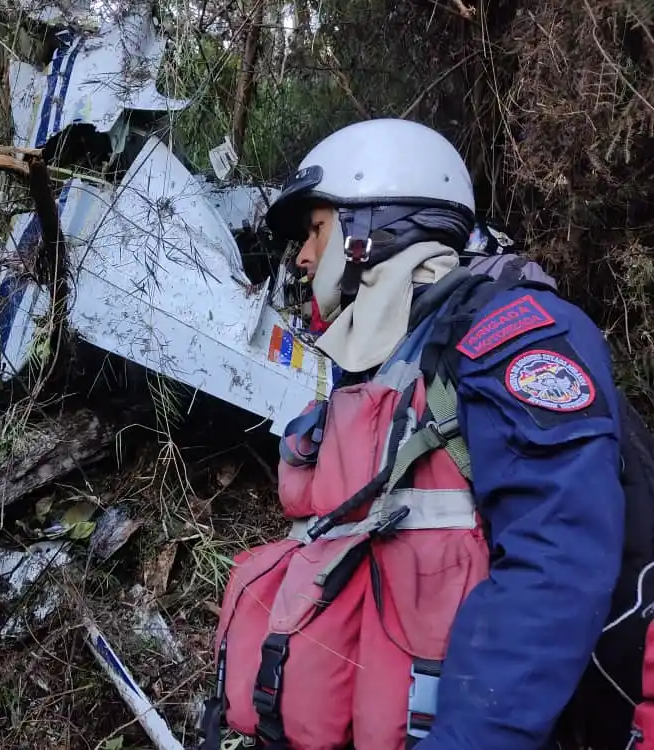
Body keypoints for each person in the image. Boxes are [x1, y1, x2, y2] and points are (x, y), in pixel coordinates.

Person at [204, 118, 626, 750]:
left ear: (376, 230)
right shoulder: (391, 367)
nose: (302, 257)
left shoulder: (512, 337)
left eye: (317, 229)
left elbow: (557, 564)